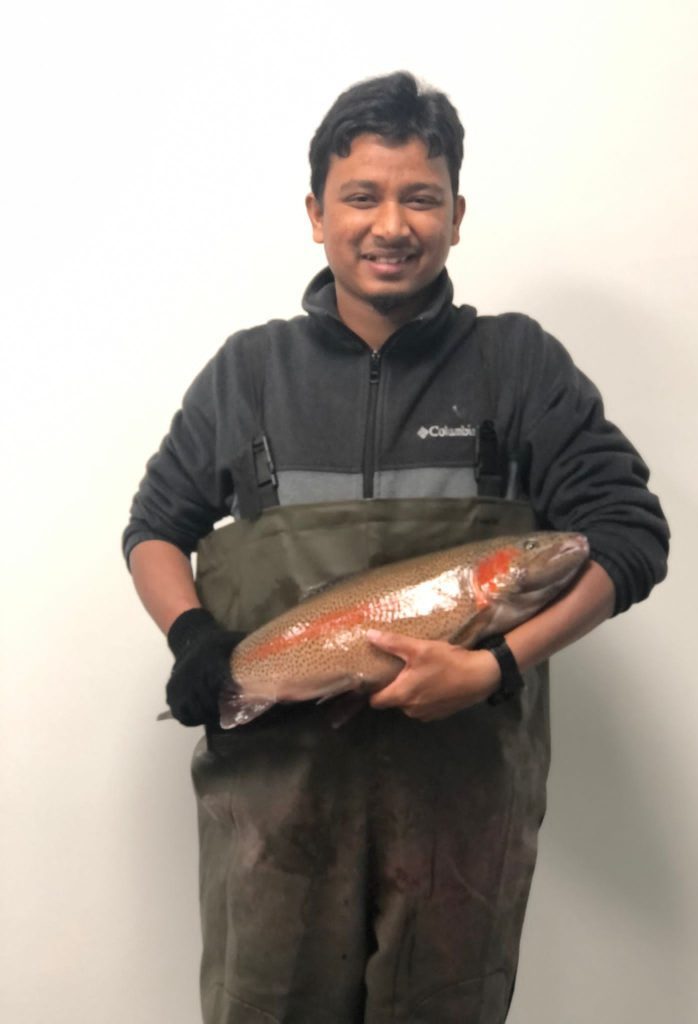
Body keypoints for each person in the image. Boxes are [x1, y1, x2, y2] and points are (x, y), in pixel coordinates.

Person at [123, 71, 669, 1024]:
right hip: (274, 814)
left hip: (459, 819)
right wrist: (193, 637)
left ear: (456, 215)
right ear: (316, 214)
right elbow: (154, 530)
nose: (391, 224)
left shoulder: (517, 365)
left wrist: (496, 665)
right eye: (361, 197)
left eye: (420, 197)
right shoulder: (247, 374)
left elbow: (629, 536)